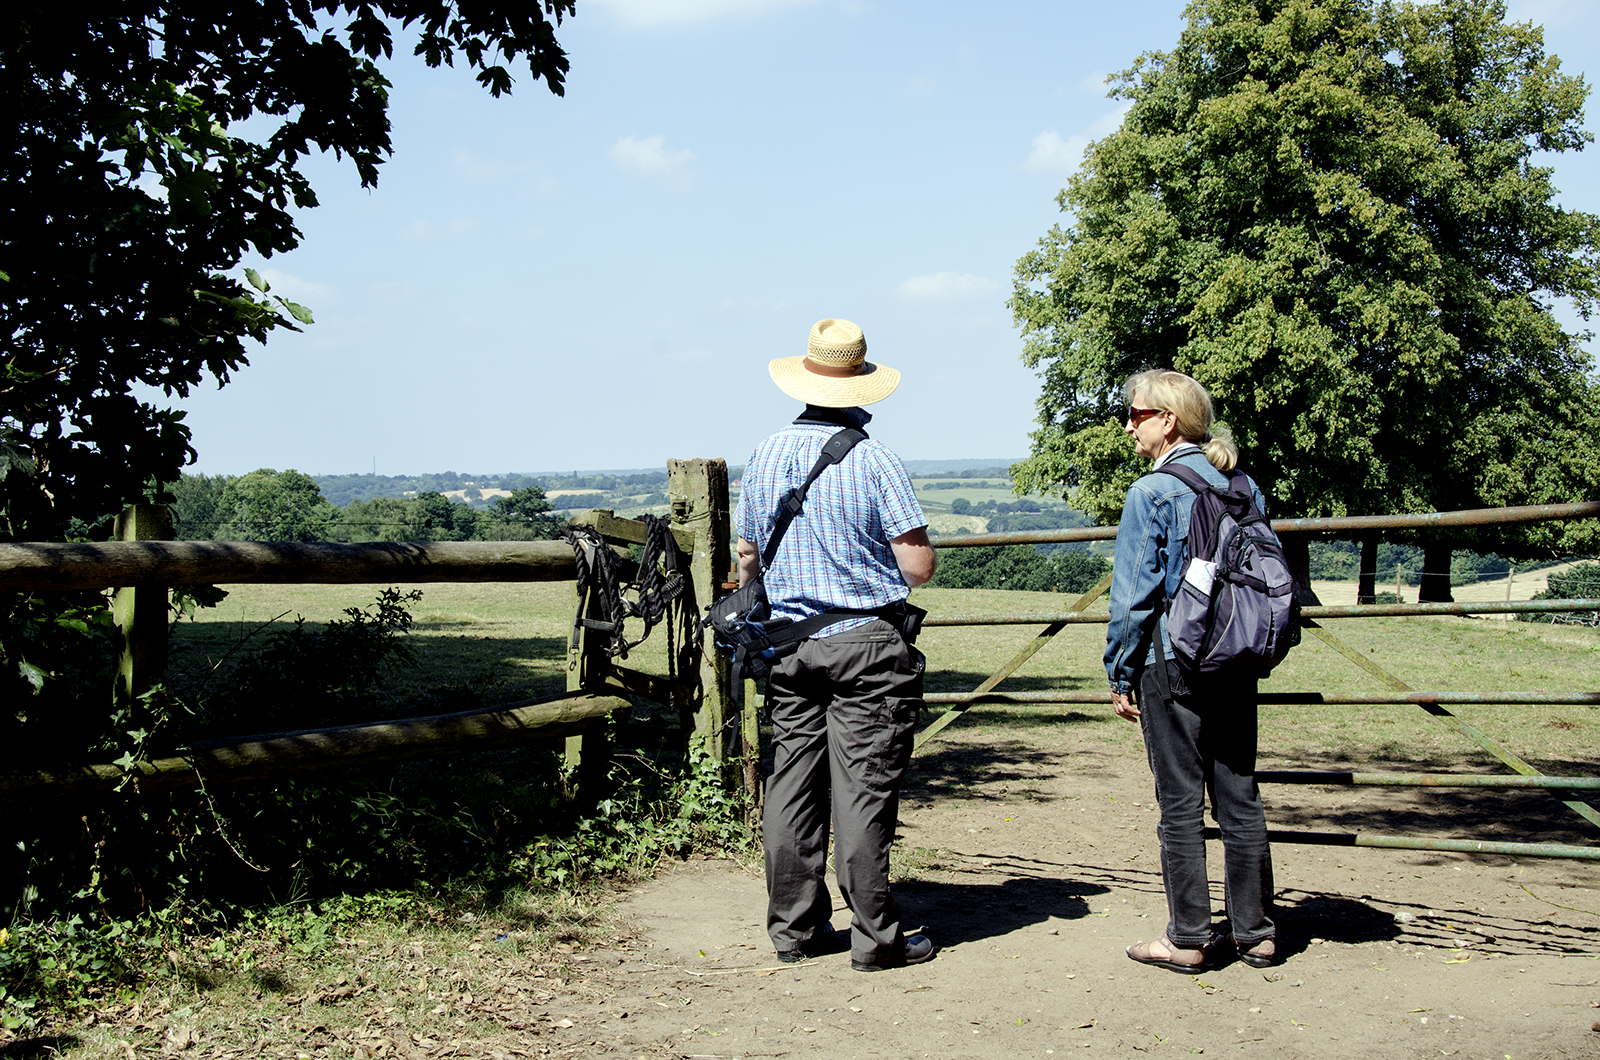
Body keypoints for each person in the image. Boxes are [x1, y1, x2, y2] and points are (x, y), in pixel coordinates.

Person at [735, 317, 937, 972]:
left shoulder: (764, 455)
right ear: (860, 387)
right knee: (863, 788)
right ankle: (875, 937)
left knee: (791, 785)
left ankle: (792, 931)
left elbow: (747, 556)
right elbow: (917, 567)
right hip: (867, 645)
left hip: (788, 646)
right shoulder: (876, 461)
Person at [1106, 368, 1277, 973]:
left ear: (1167, 420)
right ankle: (1255, 932)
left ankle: (1187, 938)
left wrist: (1119, 672)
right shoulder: (1241, 485)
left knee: (1179, 801)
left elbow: (1133, 597)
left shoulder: (1150, 493)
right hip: (1236, 656)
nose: (1129, 424)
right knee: (1240, 793)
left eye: (1137, 413)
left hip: (1172, 663)